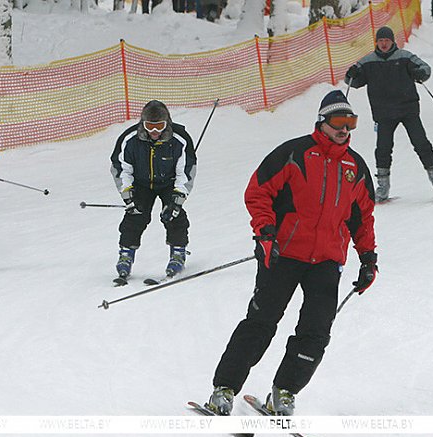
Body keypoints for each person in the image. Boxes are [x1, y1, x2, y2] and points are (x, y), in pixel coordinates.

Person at [205, 90, 378, 416]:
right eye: (339, 122)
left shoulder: (355, 166)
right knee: (261, 323)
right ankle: (224, 389)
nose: (345, 129)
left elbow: (362, 217)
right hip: (282, 254)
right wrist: (266, 233)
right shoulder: (294, 153)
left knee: (315, 332)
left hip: (327, 260)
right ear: (322, 122)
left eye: (350, 122)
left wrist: (368, 258)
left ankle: (284, 393)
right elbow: (258, 192)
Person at [345, 26, 433, 203]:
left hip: (408, 109)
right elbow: (352, 82)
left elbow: (425, 69)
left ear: (392, 41)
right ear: (376, 42)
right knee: (383, 149)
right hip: (383, 113)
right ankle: (383, 187)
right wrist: (351, 75)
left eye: (387, 40)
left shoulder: (404, 57)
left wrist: (420, 73)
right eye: (381, 41)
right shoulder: (368, 62)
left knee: (421, 143)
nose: (384, 44)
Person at [109, 100, 197, 280]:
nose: (155, 132)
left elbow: (186, 170)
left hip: (169, 182)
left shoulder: (179, 139)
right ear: (142, 123)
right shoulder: (130, 139)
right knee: (135, 215)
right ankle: (126, 254)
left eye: (159, 126)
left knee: (174, 215)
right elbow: (121, 167)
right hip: (141, 184)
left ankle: (178, 253)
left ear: (167, 123)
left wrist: (177, 198)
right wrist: (128, 194)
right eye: (150, 126)